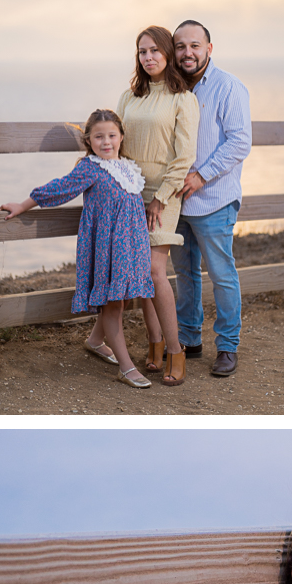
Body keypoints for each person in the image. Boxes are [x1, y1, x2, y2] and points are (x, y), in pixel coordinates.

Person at [0, 109, 154, 389]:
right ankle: (126, 367)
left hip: (131, 247)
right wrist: (23, 204)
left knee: (120, 299)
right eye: (98, 137)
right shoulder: (90, 168)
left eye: (111, 135)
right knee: (113, 303)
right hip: (106, 249)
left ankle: (95, 341)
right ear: (89, 140)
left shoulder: (130, 168)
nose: (106, 142)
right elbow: (60, 188)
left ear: (121, 136)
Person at [95, 25, 199, 387]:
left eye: (155, 50)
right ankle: (154, 344)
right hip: (128, 189)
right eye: (142, 51)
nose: (149, 57)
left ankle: (175, 349)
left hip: (163, 193)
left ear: (167, 53)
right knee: (139, 275)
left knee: (156, 271)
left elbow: (185, 156)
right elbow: (115, 144)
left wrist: (160, 197)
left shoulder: (182, 98)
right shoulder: (129, 96)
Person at [170, 20, 252, 378]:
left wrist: (201, 176)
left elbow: (239, 142)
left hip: (213, 199)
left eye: (195, 45)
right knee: (184, 274)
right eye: (180, 46)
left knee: (221, 274)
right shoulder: (170, 88)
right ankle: (190, 339)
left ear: (209, 48)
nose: (188, 53)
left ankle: (227, 347)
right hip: (176, 202)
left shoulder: (228, 87)